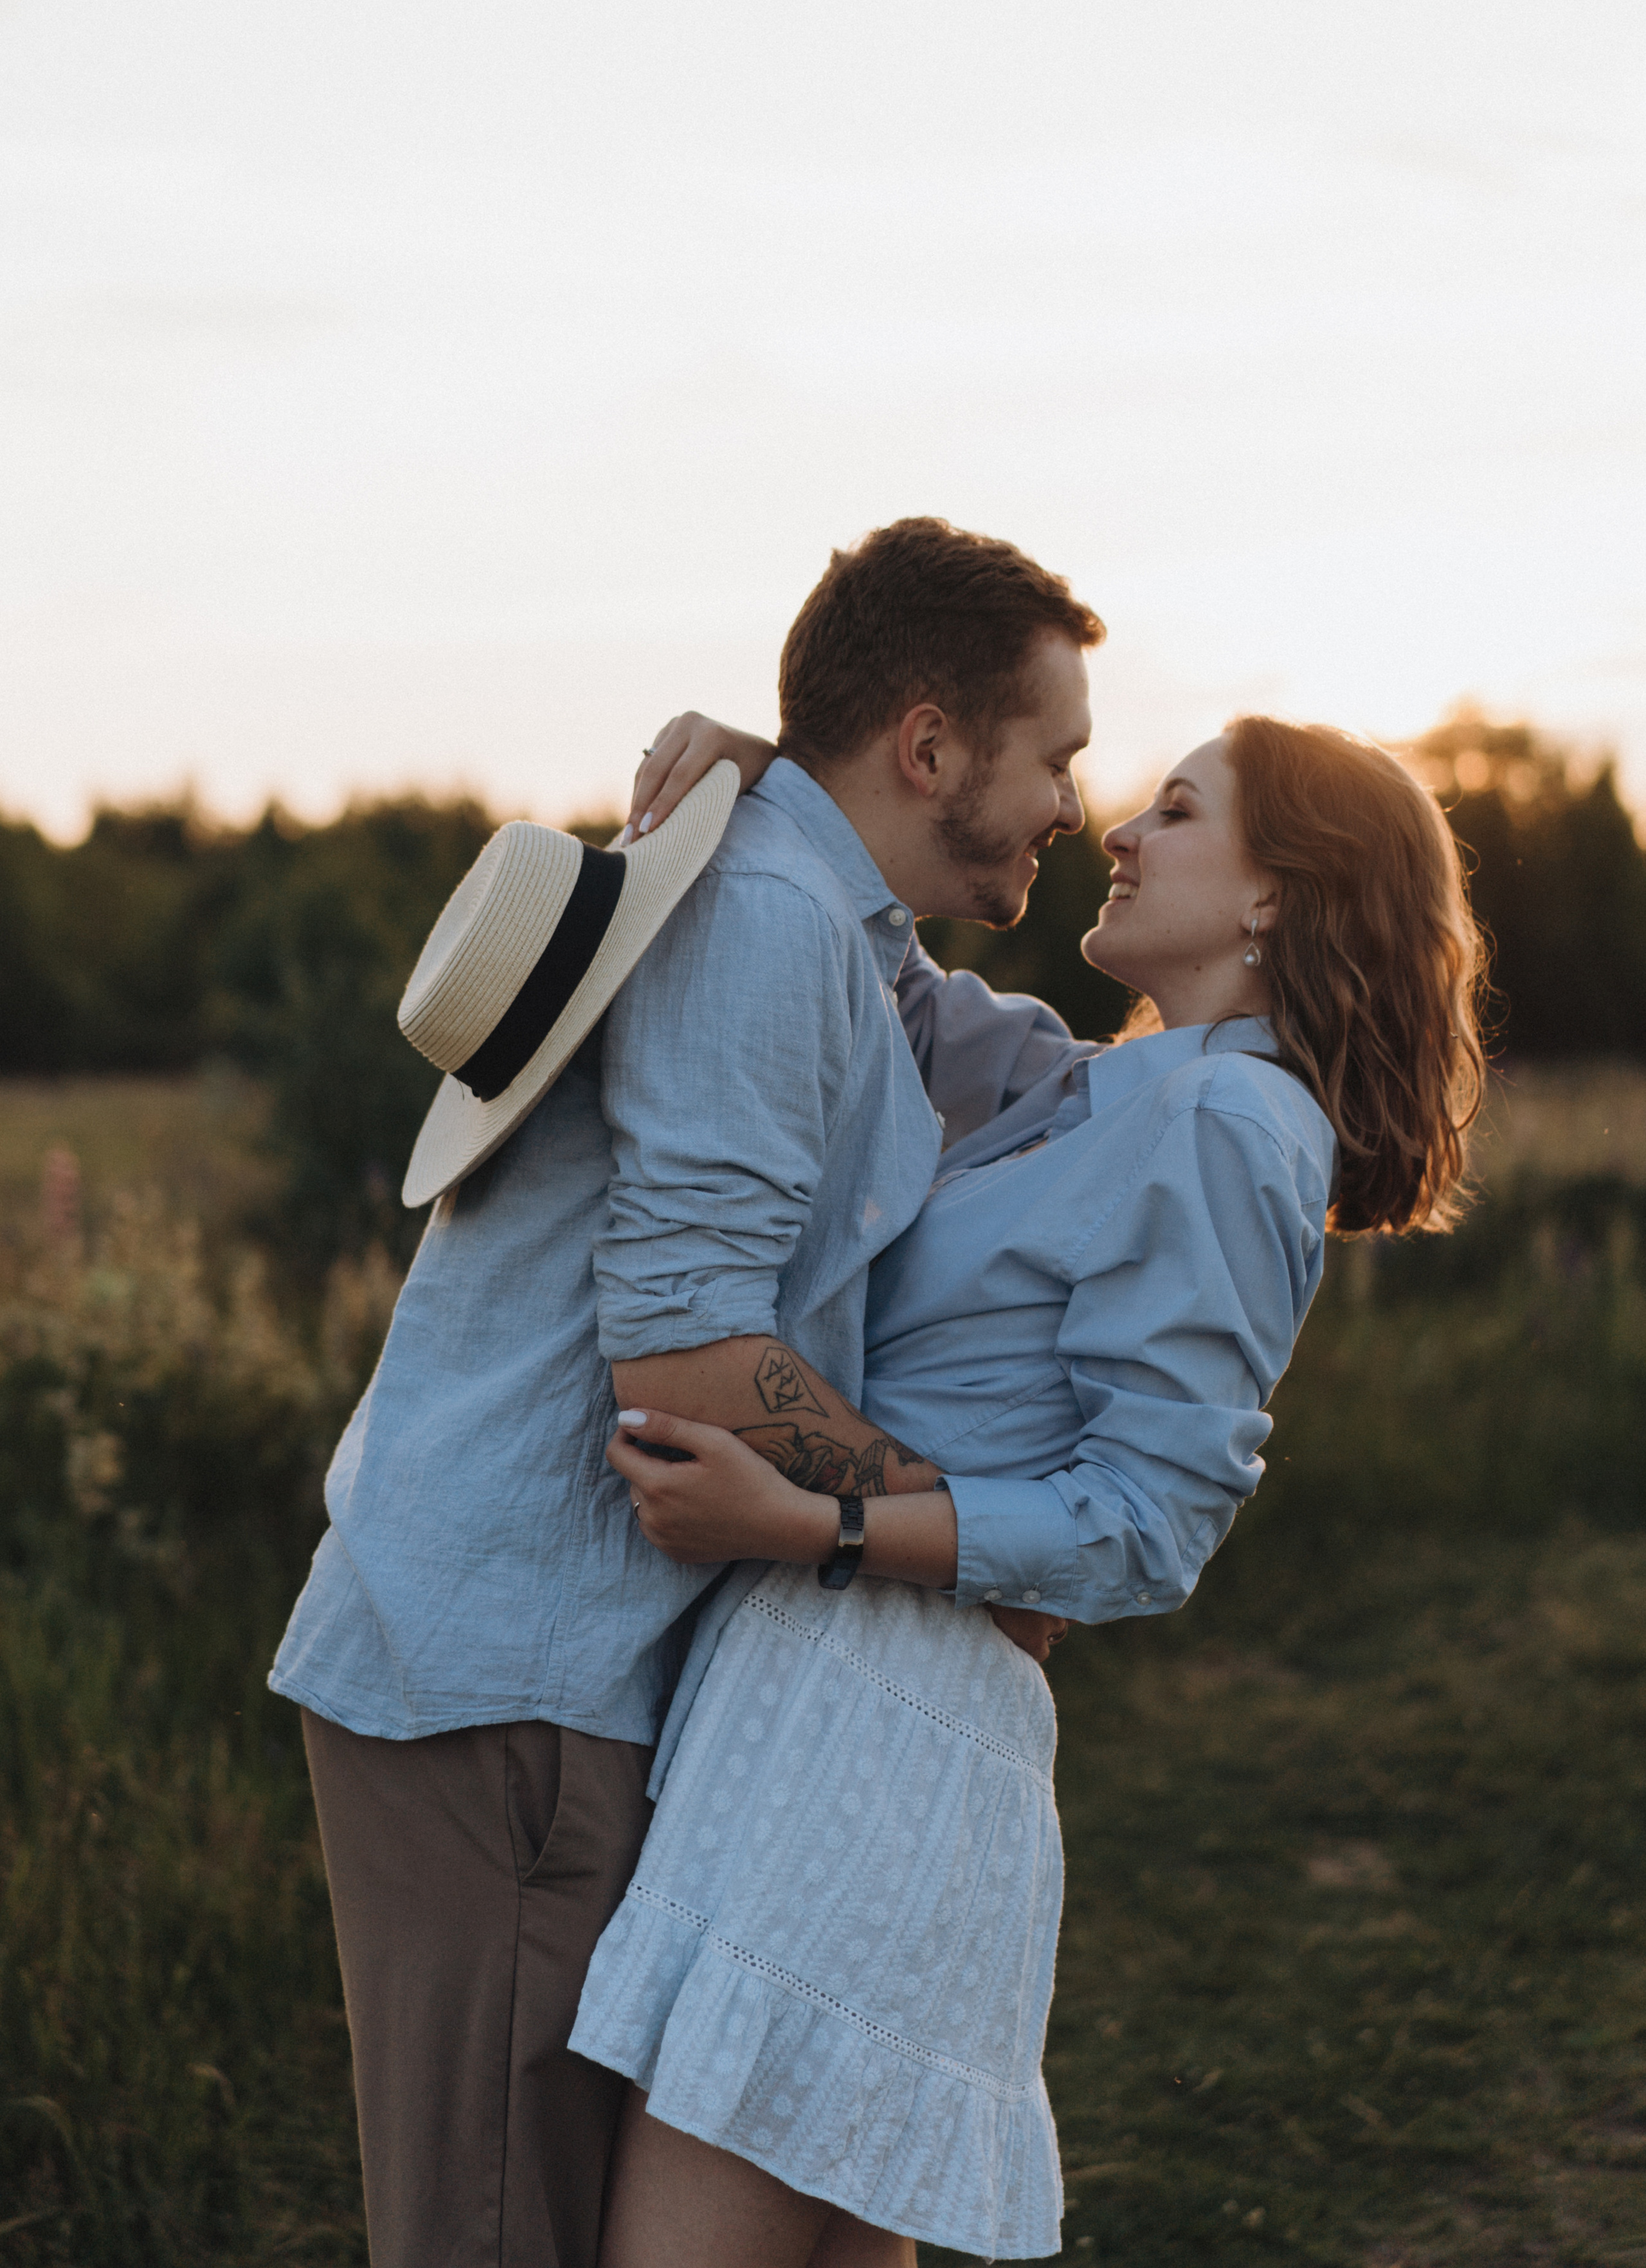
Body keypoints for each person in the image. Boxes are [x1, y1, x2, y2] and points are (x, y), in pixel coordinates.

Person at [266, 515, 1104, 2268]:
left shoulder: (825, 918)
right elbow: (683, 1353)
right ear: (930, 746)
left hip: (544, 1674)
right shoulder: (767, 921)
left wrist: (765, 764)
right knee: (500, 2233)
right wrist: (954, 1540)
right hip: (509, 1680)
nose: (1071, 805)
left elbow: (1058, 1085)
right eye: (1055, 756)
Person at [566, 712, 1487, 2266]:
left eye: (1176, 811)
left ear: (1277, 894)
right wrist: (786, 770)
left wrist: (813, 1523)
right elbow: (881, 976)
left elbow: (1149, 1520)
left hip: (879, 1728)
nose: (1115, 829)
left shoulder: (1228, 1122)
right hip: (843, 1705)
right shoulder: (1100, 1085)